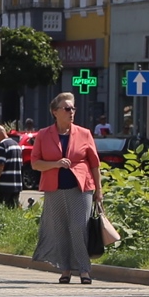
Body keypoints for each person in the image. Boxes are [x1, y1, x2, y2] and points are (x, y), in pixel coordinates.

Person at [30, 92, 104, 283]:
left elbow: (95, 163)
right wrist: (55, 164)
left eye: (73, 108)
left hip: (81, 188)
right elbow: (35, 163)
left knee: (78, 227)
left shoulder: (84, 133)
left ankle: (84, 269)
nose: (72, 112)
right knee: (60, 229)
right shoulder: (43, 135)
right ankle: (65, 270)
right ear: (55, 112)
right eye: (67, 108)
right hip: (54, 189)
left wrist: (99, 190)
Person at [0, 125, 24, 208]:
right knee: (14, 207)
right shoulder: (16, 145)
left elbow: (0, 165)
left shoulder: (2, 145)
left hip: (5, 185)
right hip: (17, 184)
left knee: (2, 208)